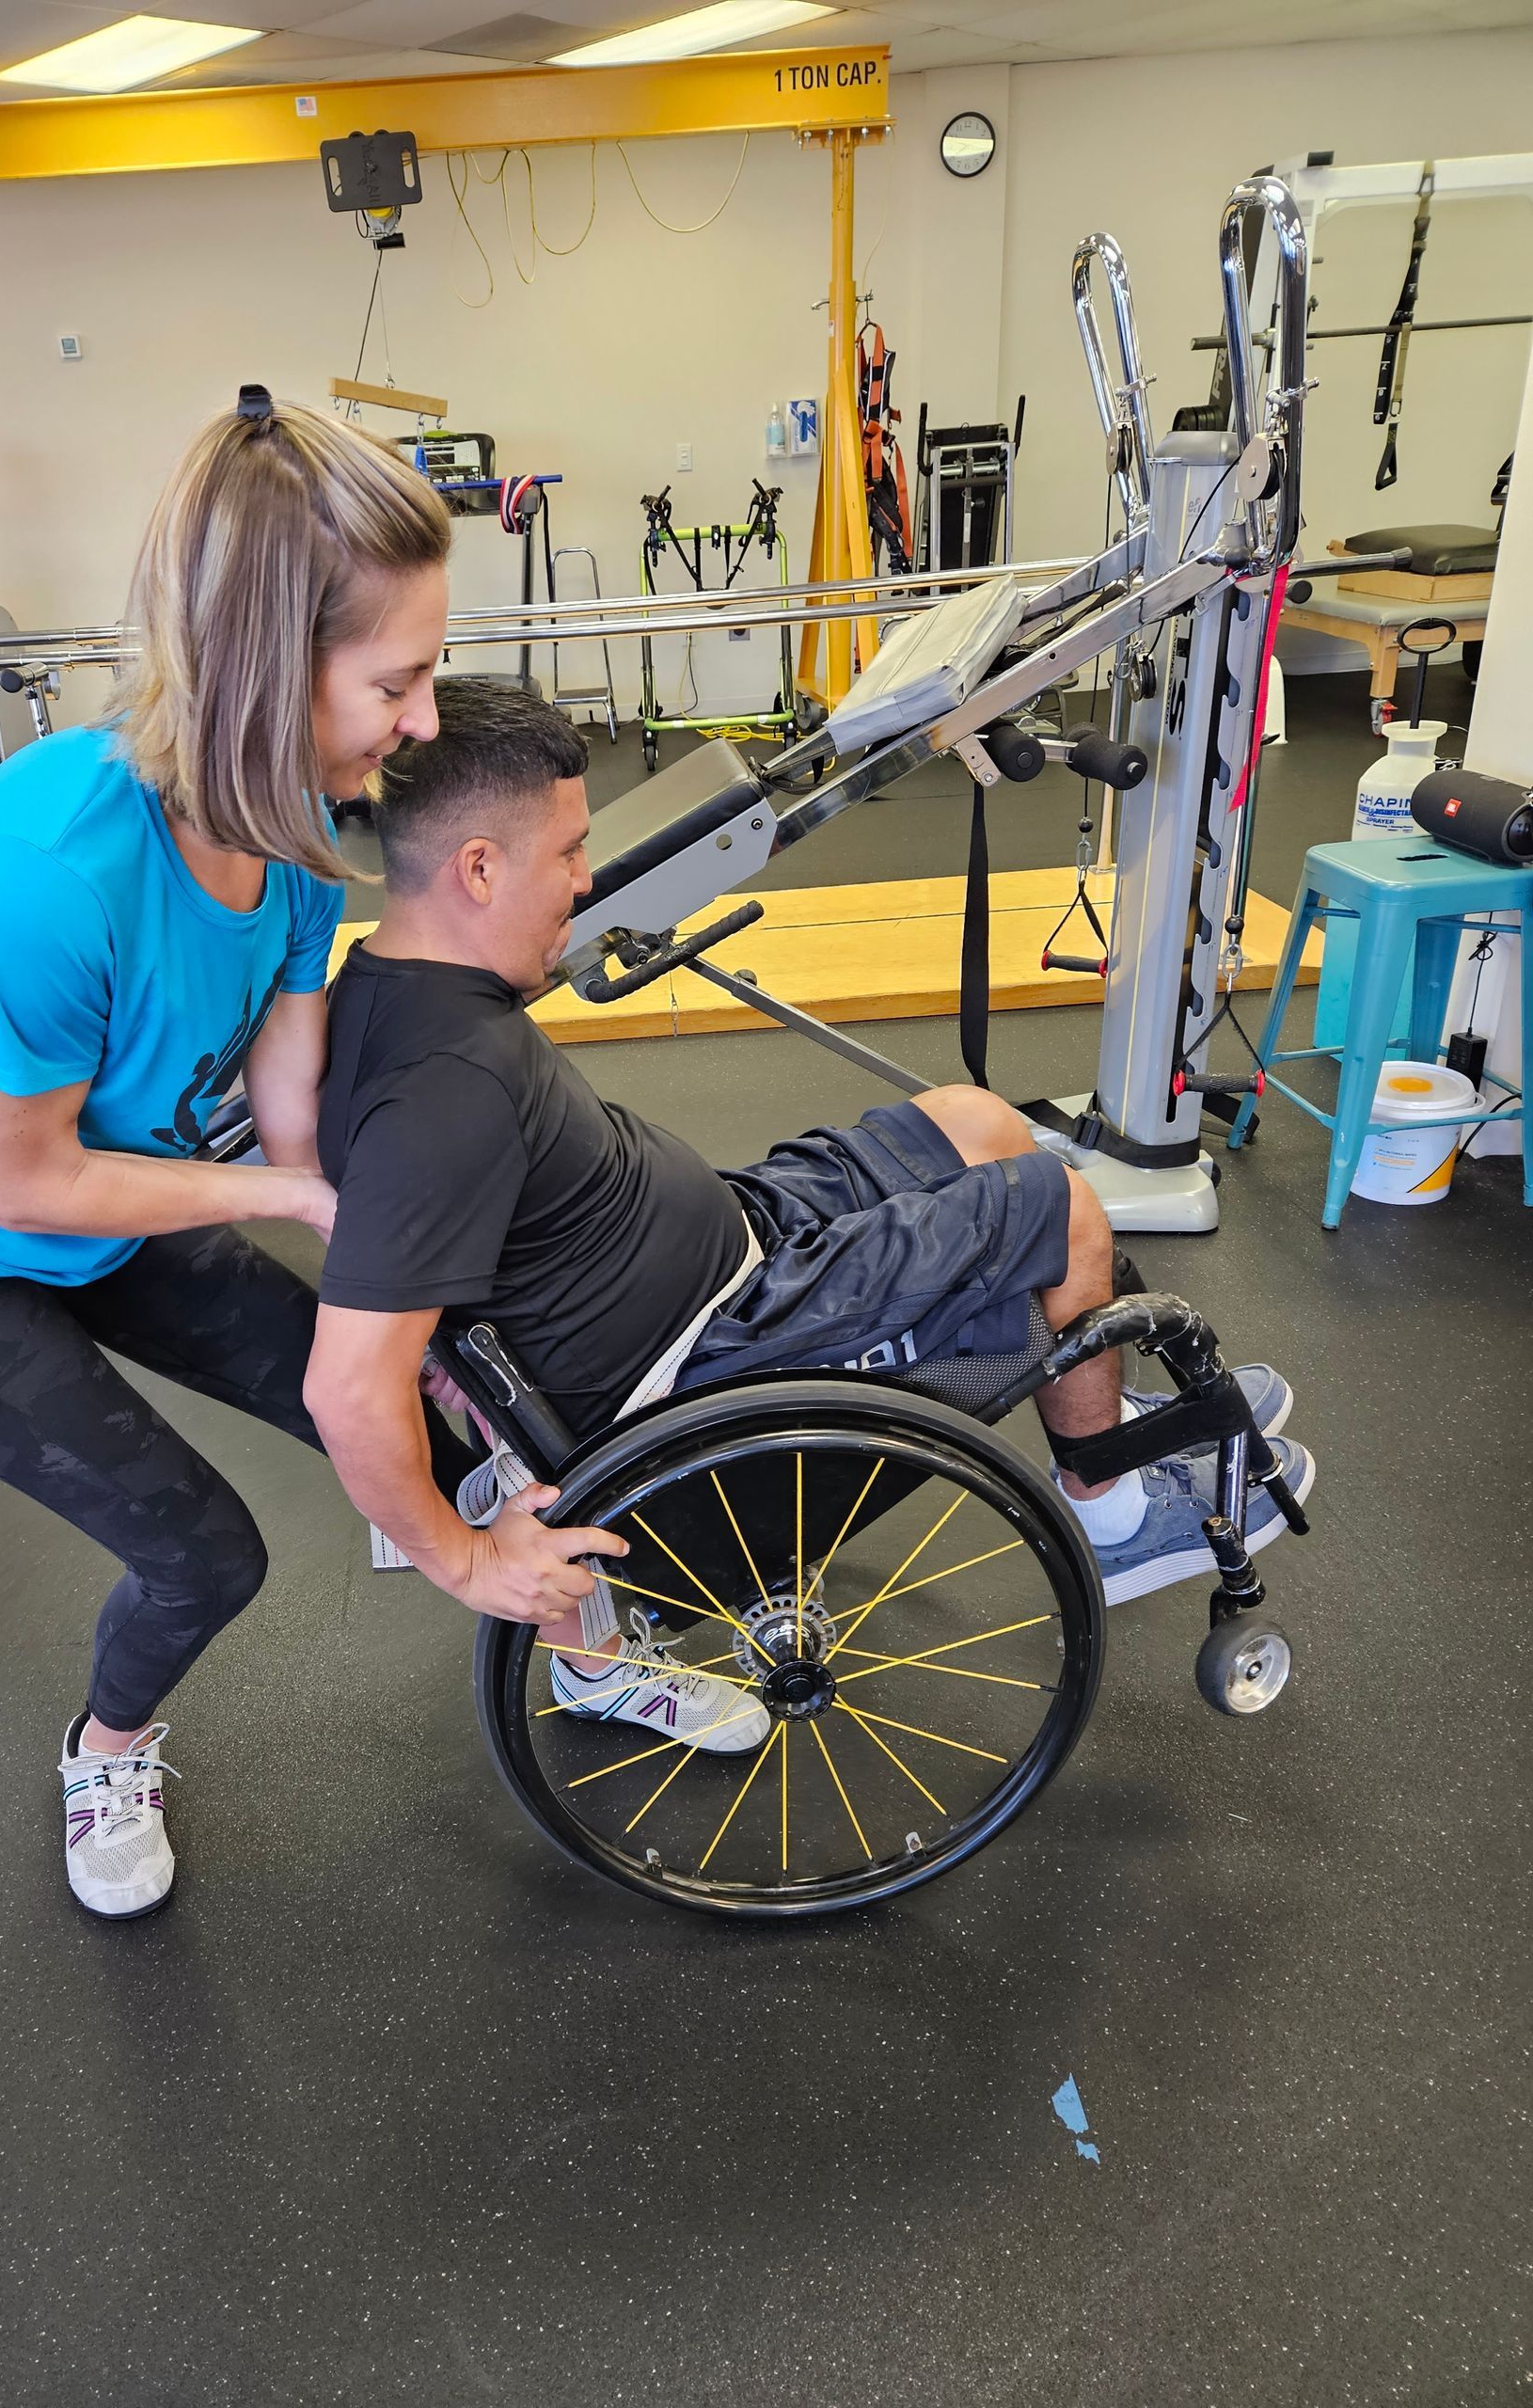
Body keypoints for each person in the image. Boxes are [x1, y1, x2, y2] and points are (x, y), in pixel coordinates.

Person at [306, 681, 1313, 1753]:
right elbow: (348, 1386)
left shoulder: (387, 980)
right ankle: (1109, 1515)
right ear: (477, 868)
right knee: (1061, 1208)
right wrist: (468, 1563)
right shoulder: (441, 1093)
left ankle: (1088, 1412)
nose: (586, 879)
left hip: (724, 1241)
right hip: (716, 1342)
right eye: (567, 853)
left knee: (978, 1122)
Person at [0, 389, 478, 1923]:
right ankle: (105, 1748)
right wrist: (296, 1198)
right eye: (398, 680)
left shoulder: (298, 826)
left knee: (422, 1395)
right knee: (201, 1555)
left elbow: (295, 1111)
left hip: (115, 1200)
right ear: (262, 668)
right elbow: (24, 1184)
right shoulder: (44, 869)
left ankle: (590, 1640)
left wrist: (405, 1260)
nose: (425, 720)